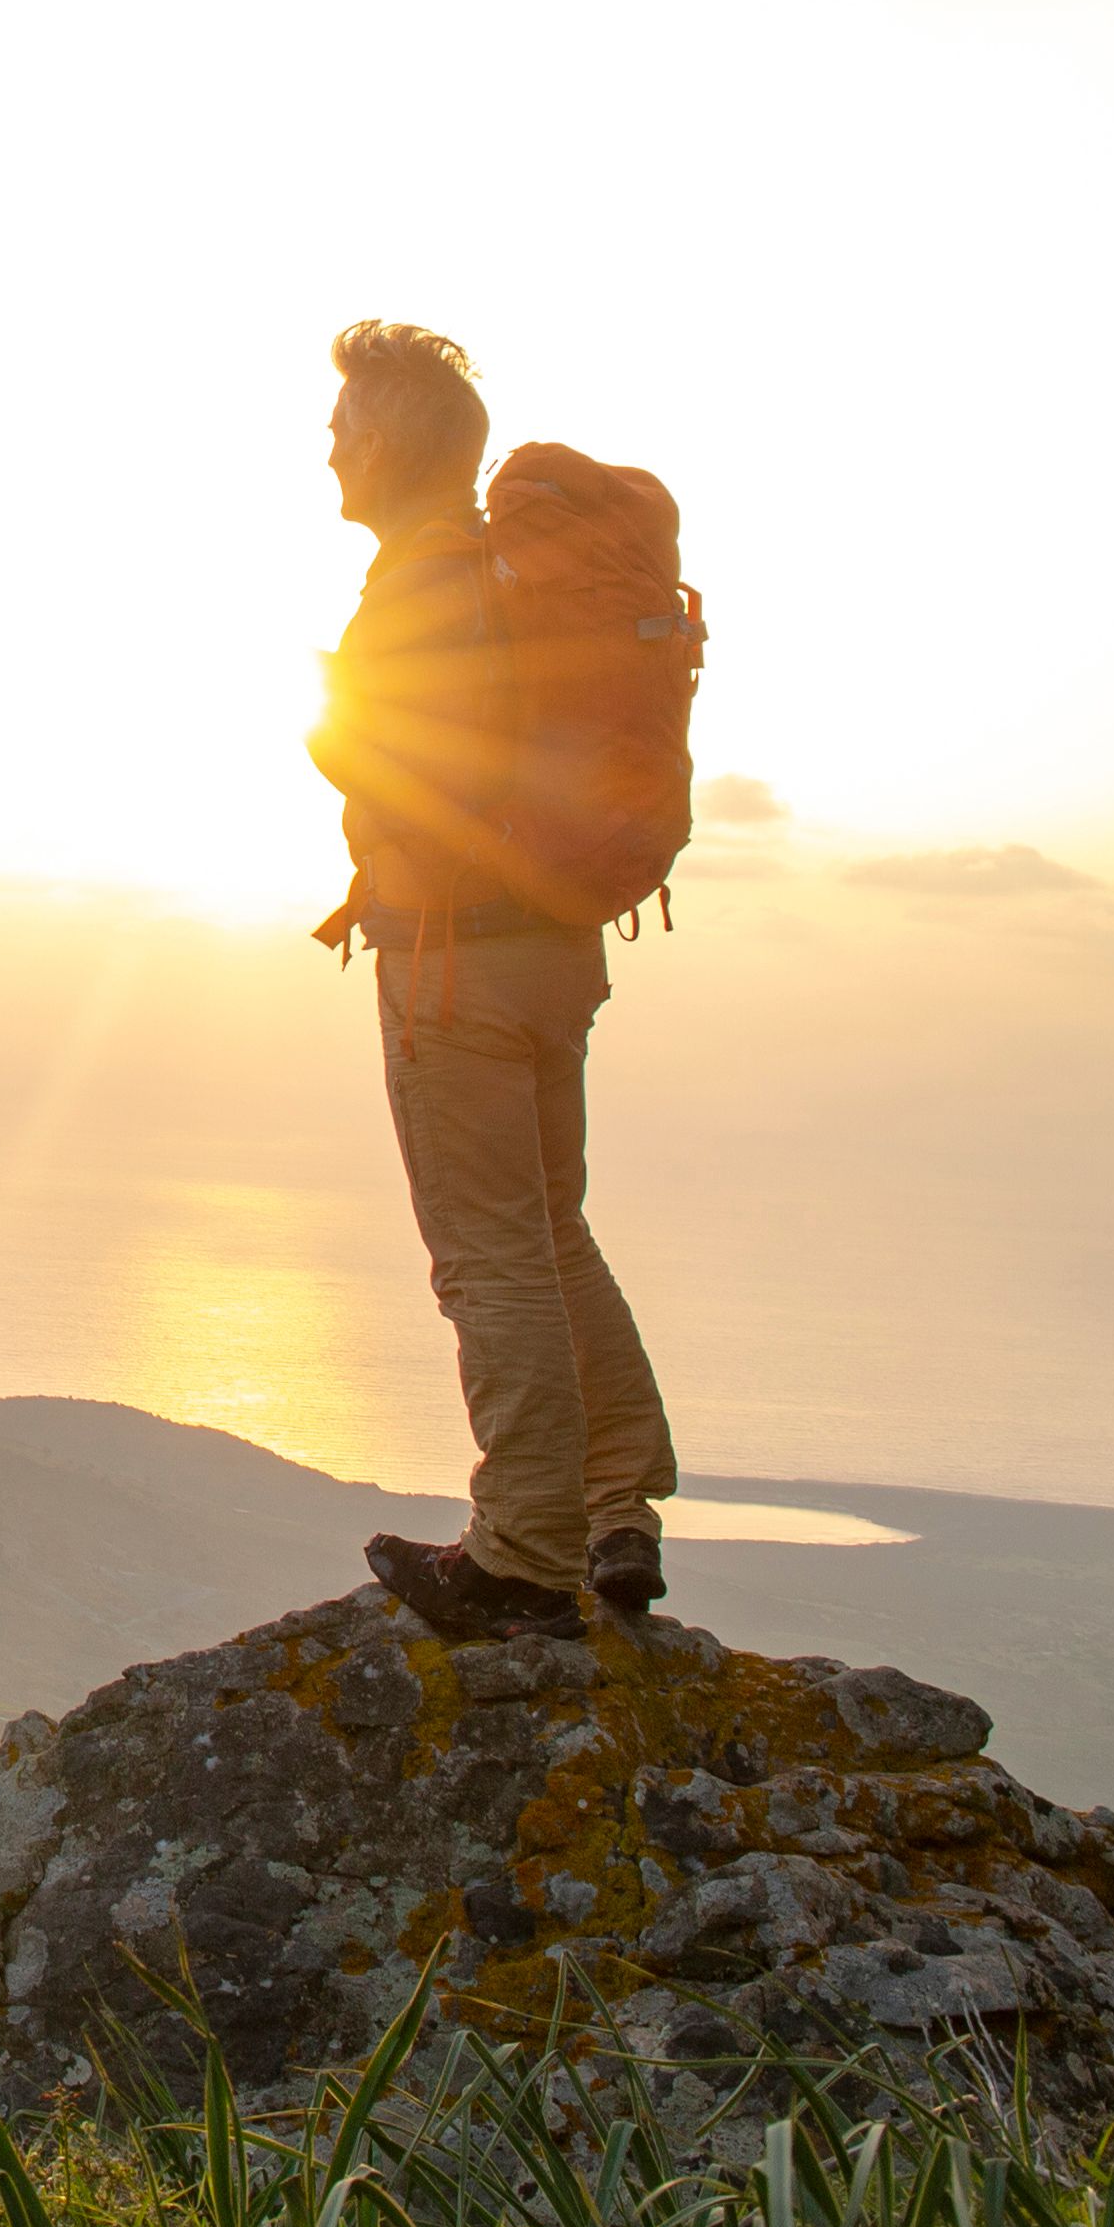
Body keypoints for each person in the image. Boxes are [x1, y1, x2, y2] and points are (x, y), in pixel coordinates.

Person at [307, 318, 678, 1642]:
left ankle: (522, 1552)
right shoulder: (499, 577)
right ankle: (617, 1513)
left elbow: (382, 753)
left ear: (389, 446)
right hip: (555, 949)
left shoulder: (420, 583)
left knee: (488, 1258)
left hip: (455, 965)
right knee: (552, 1230)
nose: (327, 452)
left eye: (343, 428)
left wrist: (336, 729)